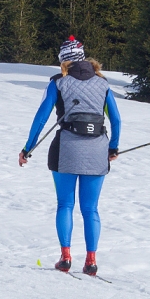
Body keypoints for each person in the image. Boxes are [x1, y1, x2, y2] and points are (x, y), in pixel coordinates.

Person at [18, 37, 122, 277]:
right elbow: (116, 120)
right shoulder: (102, 84)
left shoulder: (58, 83)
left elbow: (41, 118)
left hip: (66, 148)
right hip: (97, 150)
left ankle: (65, 257)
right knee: (90, 209)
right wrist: (112, 148)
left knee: (65, 204)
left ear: (64, 60)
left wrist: (27, 149)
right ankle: (91, 261)